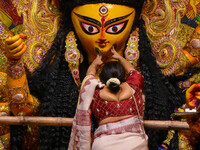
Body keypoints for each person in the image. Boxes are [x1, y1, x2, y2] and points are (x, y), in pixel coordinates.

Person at [1, 0, 195, 149]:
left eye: (115, 28)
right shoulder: (133, 84)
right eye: (90, 28)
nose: (102, 38)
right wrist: (15, 62)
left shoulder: (92, 87)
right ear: (72, 25)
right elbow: (23, 109)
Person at [68, 48, 148, 150]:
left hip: (104, 145)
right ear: (124, 75)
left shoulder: (94, 91)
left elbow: (89, 78)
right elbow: (133, 71)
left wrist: (95, 64)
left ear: (102, 77)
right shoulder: (134, 87)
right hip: (135, 143)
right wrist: (119, 57)